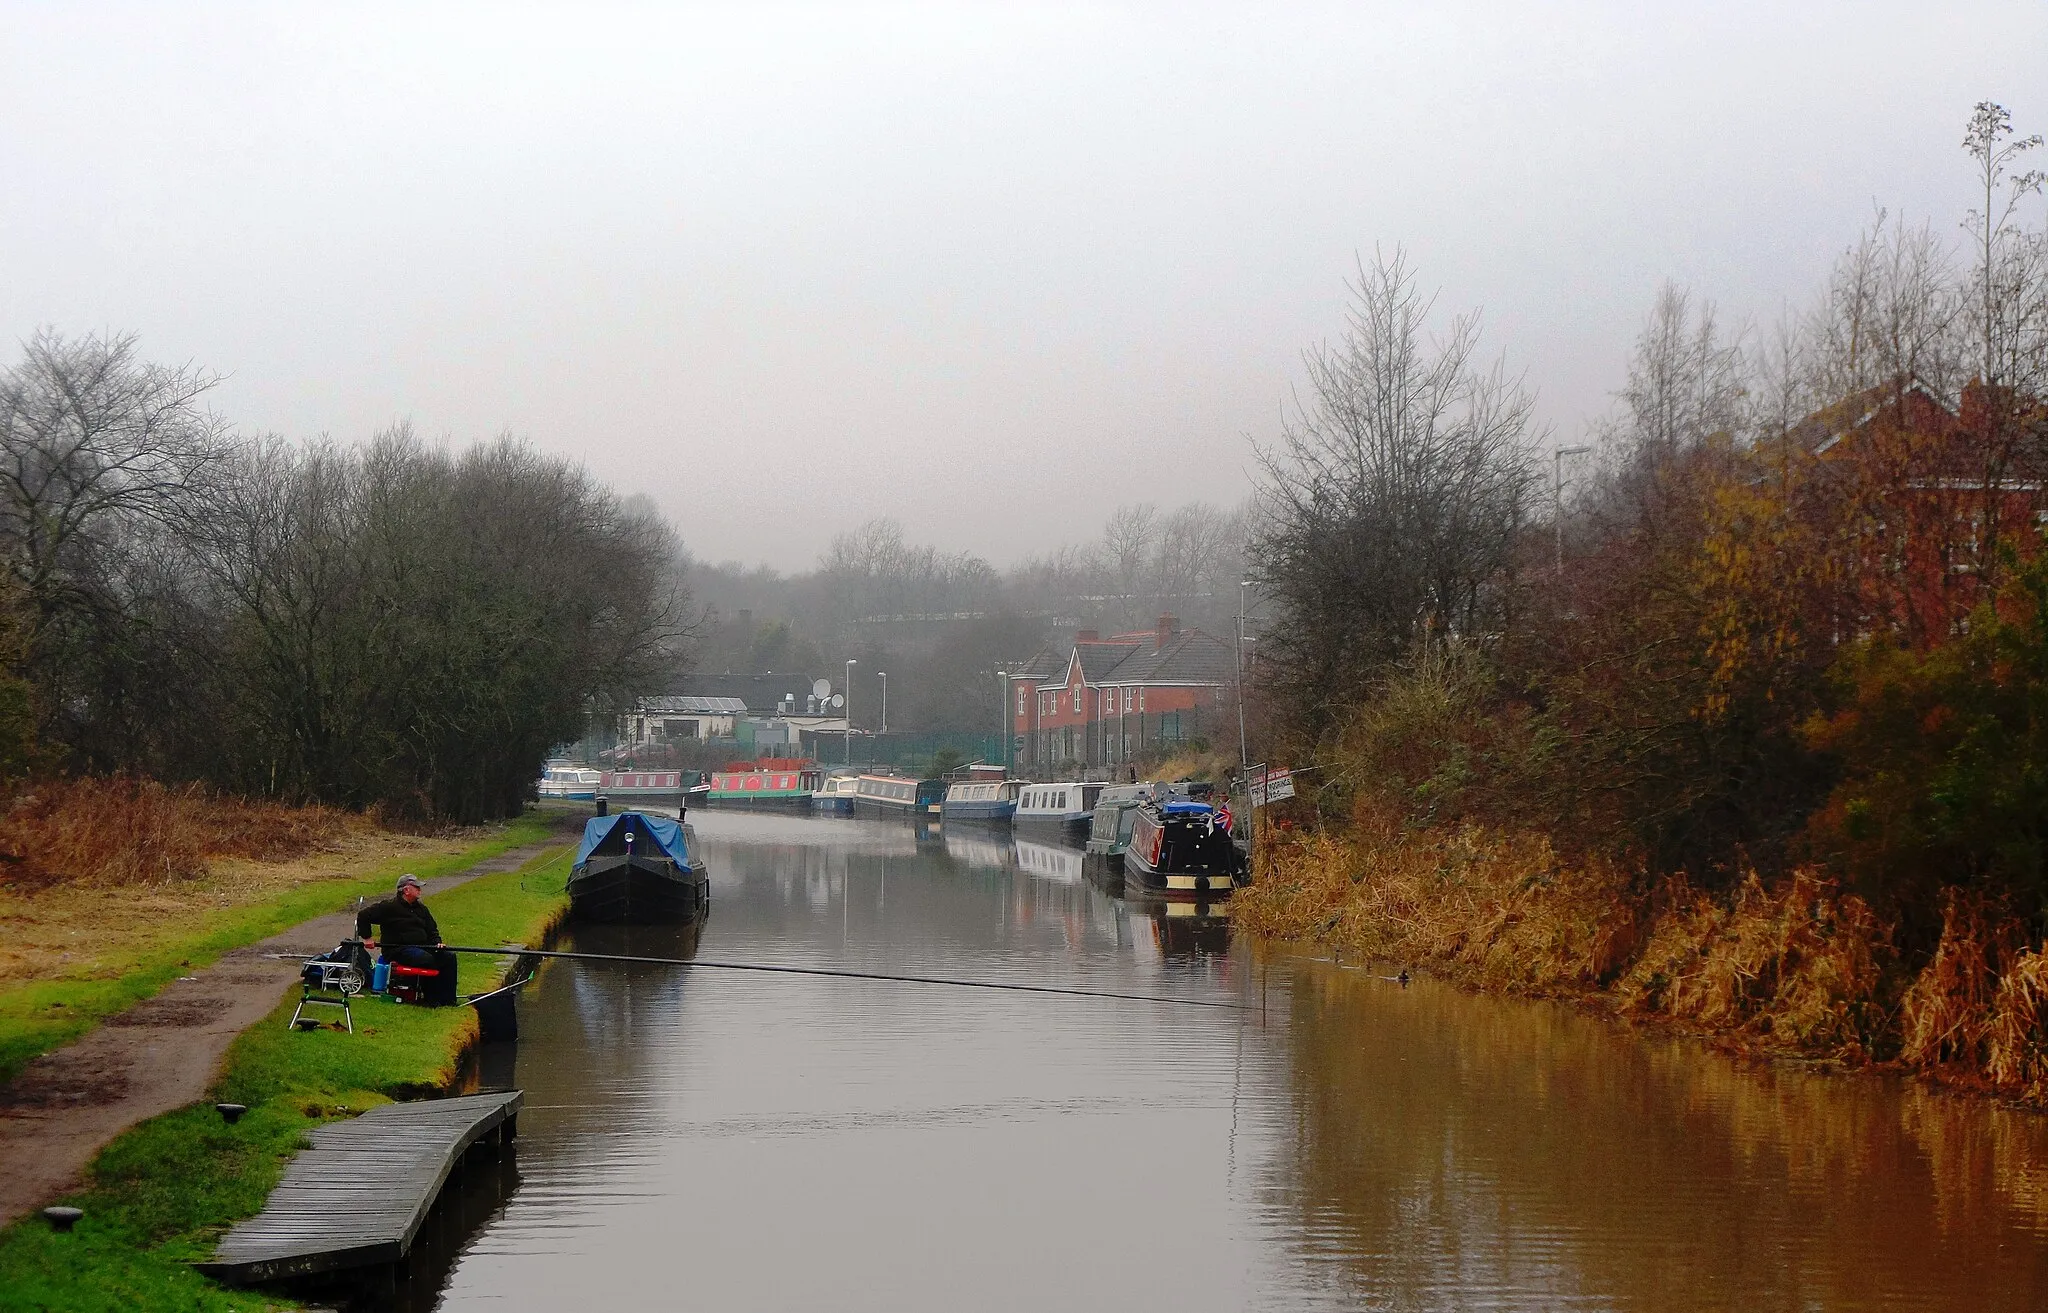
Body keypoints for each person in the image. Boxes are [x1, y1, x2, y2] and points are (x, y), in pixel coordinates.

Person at [357, 874, 458, 1005]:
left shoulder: (421, 909)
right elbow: (363, 915)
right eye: (417, 887)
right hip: (398, 949)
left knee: (449, 957)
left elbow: (432, 929)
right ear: (406, 890)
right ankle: (430, 998)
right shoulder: (389, 907)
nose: (420, 890)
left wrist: (437, 943)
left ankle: (449, 999)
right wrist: (367, 937)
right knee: (426, 959)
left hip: (423, 947)